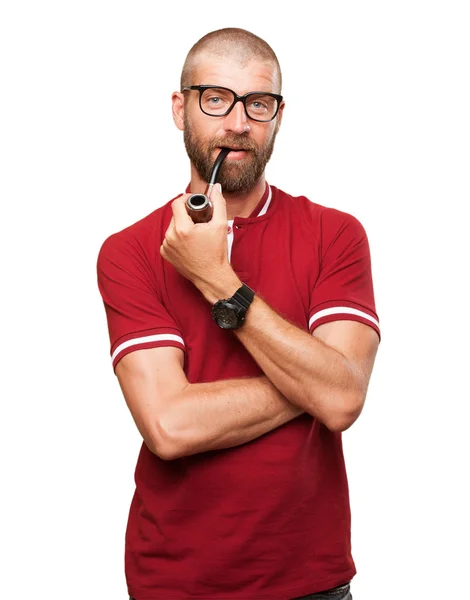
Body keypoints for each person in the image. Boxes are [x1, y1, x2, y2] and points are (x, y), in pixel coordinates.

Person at [97, 27, 380, 600]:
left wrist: (216, 279)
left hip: (313, 583)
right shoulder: (127, 251)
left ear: (278, 115)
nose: (238, 123)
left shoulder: (335, 235)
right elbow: (170, 427)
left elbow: (344, 401)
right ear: (181, 109)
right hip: (175, 584)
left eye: (258, 103)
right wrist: (313, 381)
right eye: (216, 100)